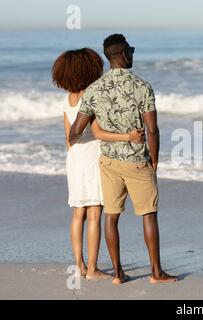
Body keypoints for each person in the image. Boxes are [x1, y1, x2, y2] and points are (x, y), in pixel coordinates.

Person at [69, 34, 177, 285]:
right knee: (148, 215)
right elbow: (152, 130)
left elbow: (75, 132)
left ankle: (118, 274)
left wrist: (93, 129)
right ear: (124, 54)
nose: (133, 55)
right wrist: (155, 160)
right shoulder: (142, 86)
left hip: (108, 162)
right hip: (137, 161)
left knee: (112, 216)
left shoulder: (94, 90)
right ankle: (156, 273)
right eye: (131, 51)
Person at [52, 48, 145, 280]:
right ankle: (93, 269)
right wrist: (128, 137)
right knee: (95, 214)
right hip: (92, 156)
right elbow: (98, 132)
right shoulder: (91, 96)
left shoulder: (68, 99)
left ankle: (80, 265)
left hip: (74, 158)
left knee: (77, 215)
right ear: (89, 70)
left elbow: (69, 139)